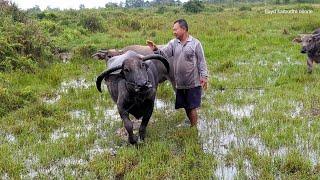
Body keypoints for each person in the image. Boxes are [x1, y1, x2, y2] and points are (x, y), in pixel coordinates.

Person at [147, 19, 209, 127]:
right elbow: (164, 53)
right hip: (180, 82)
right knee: (186, 106)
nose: (174, 32)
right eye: (173, 30)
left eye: (175, 29)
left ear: (183, 29)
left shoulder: (195, 44)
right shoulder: (173, 43)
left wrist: (204, 76)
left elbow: (201, 61)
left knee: (192, 106)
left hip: (193, 81)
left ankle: (194, 127)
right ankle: (191, 123)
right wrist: (156, 49)